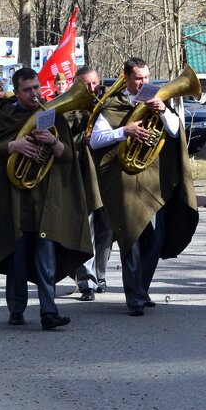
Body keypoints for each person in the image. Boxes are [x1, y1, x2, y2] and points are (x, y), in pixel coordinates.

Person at [0, 67, 91, 328]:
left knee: (47, 255)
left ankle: (49, 312)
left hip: (46, 198)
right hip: (16, 199)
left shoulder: (52, 113)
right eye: (27, 90)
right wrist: (13, 145)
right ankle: (16, 309)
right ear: (16, 91)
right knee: (17, 255)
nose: (34, 94)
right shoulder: (4, 115)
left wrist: (53, 143)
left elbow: (68, 155)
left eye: (36, 87)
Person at [89, 57, 198, 316]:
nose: (144, 82)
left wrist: (163, 111)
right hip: (124, 181)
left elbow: (175, 132)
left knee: (156, 239)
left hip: (153, 181)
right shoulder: (113, 105)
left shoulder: (158, 100)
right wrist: (124, 132)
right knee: (132, 239)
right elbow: (95, 140)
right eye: (138, 78)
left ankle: (142, 289)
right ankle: (135, 297)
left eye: (147, 77)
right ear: (126, 78)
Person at [67, 66, 112, 300]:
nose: (92, 88)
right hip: (84, 175)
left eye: (95, 83)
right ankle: (86, 281)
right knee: (87, 228)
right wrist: (81, 139)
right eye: (87, 84)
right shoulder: (68, 106)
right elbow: (60, 139)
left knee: (107, 229)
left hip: (109, 175)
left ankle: (100, 274)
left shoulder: (108, 102)